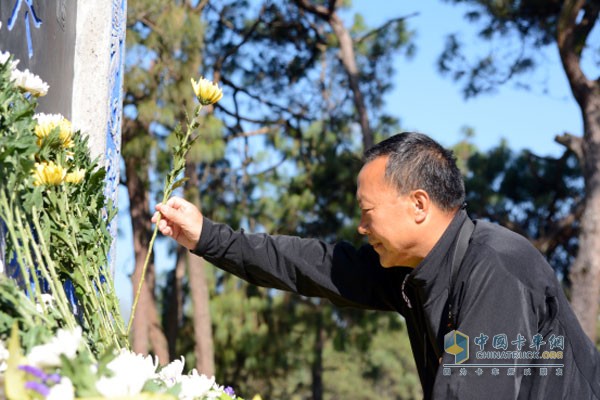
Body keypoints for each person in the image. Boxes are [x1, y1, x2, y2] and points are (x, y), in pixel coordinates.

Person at [153, 132, 600, 399]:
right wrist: (207, 237)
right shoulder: (413, 271)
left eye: (368, 212)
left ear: (418, 204)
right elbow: (310, 265)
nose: (362, 228)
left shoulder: (495, 267)